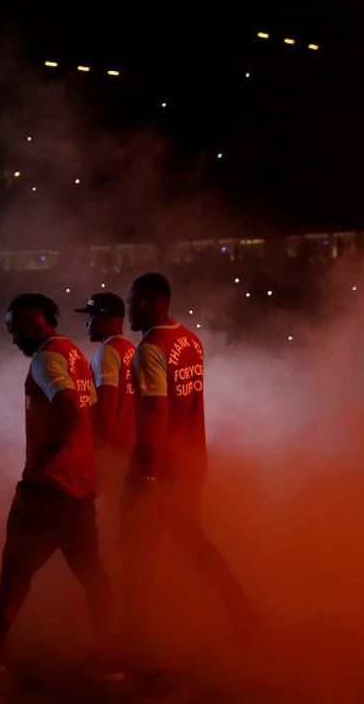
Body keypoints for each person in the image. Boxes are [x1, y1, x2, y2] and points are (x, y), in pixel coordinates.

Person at [0, 294, 118, 676]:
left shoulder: (46, 358)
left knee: (15, 568)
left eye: (14, 330)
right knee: (92, 574)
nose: (12, 339)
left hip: (49, 488)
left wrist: (40, 465)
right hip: (79, 485)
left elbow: (70, 410)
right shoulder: (75, 353)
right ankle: (109, 657)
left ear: (33, 323)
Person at [121, 272, 260, 649]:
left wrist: (147, 474)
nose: (127, 311)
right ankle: (242, 612)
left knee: (139, 549)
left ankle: (136, 636)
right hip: (191, 459)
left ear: (147, 303)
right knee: (193, 543)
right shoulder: (190, 339)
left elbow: (155, 414)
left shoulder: (151, 347)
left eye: (131, 303)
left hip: (162, 467)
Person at [74, 292, 136, 521]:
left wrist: (90, 450)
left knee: (77, 511)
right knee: (126, 520)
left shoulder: (107, 352)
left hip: (111, 454)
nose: (86, 323)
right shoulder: (131, 349)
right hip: (131, 451)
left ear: (108, 319)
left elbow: (106, 413)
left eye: (91, 316)